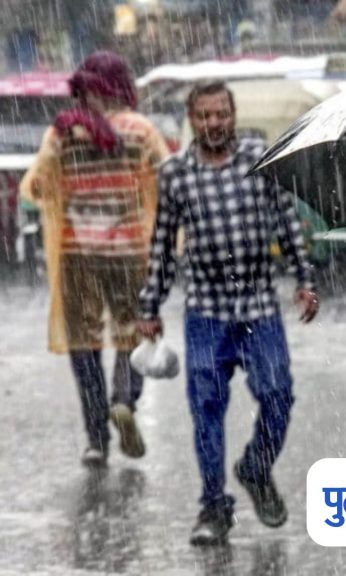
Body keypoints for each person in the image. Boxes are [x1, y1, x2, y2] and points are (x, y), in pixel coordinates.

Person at [137, 81, 319, 546]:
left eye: (221, 114)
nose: (213, 124)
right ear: (192, 120)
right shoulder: (176, 173)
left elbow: (287, 221)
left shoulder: (260, 159)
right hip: (206, 310)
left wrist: (305, 280)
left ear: (232, 116)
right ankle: (213, 507)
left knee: (278, 394)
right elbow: (161, 243)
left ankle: (256, 468)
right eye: (204, 116)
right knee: (207, 410)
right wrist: (150, 306)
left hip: (258, 302)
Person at [19, 51, 169, 466]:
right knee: (132, 333)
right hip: (128, 252)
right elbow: (168, 179)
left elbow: (34, 187)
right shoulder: (141, 130)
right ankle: (124, 398)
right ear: (123, 85)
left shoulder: (62, 133)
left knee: (83, 345)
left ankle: (96, 439)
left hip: (76, 255)